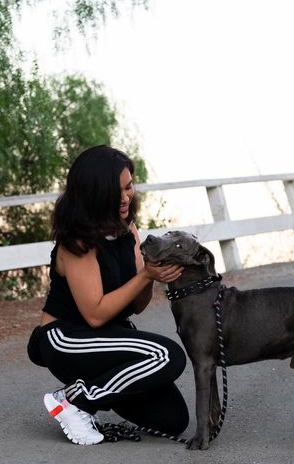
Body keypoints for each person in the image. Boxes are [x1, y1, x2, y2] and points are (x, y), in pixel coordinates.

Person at [27, 145, 189, 445]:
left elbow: (138, 306)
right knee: (167, 355)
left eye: (129, 187)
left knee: (173, 420)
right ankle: (76, 400)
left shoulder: (128, 229)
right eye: (118, 191)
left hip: (108, 337)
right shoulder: (78, 240)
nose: (127, 196)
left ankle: (90, 396)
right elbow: (95, 314)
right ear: (96, 193)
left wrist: (151, 272)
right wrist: (144, 275)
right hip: (66, 338)